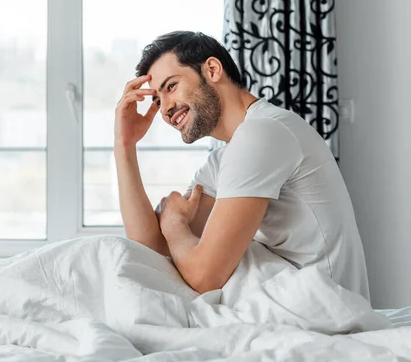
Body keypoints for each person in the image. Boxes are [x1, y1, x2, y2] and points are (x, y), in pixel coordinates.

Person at [113, 31, 370, 301]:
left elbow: (205, 277)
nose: (165, 108)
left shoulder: (264, 132)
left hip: (323, 311)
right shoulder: (225, 158)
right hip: (293, 304)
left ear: (212, 70)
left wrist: (175, 224)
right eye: (156, 100)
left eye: (171, 87)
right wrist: (125, 145)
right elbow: (151, 249)